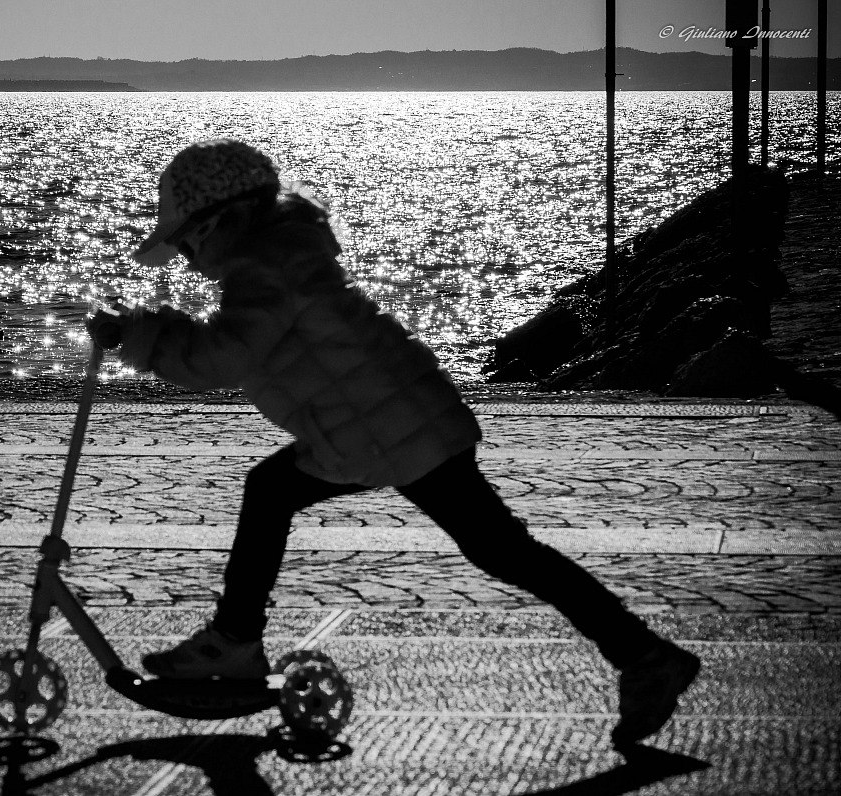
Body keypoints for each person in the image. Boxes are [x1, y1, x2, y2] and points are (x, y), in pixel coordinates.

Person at [87, 138, 699, 746]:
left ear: (227, 220)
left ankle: (237, 641)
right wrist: (151, 329)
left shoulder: (265, 269)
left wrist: (142, 335)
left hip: (389, 430)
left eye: (189, 242)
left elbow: (223, 357)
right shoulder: (280, 255)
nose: (188, 260)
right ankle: (643, 654)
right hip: (384, 424)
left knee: (494, 549)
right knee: (494, 548)